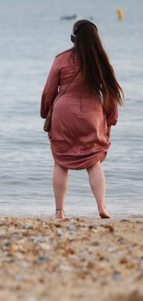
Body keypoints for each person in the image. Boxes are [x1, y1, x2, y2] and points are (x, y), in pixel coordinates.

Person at [40, 20, 123, 219]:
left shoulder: (61, 59)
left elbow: (49, 90)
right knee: (93, 162)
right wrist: (110, 119)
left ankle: (59, 211)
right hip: (91, 115)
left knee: (61, 162)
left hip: (63, 114)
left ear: (74, 38)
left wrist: (45, 112)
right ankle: (102, 207)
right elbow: (111, 94)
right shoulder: (100, 60)